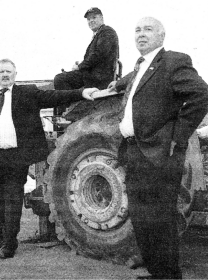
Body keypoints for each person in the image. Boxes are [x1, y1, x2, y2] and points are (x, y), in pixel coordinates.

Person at [108, 17, 208, 279]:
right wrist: (118, 84)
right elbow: (139, 80)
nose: (141, 34)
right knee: (141, 219)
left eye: (148, 29)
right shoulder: (141, 65)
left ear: (161, 36)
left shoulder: (174, 60)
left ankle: (169, 275)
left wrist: (179, 134)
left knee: (160, 220)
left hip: (161, 153)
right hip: (135, 151)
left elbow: (201, 95)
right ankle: (156, 272)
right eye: (137, 30)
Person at [0, 58, 97, 259]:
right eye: (1, 72)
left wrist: (81, 92)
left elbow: (53, 96)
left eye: (9, 72)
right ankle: (1, 236)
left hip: (14, 157)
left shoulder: (26, 93)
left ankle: (10, 244)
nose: (5, 75)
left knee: (12, 201)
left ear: (15, 75)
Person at [54, 7, 119, 91]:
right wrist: (81, 64)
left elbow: (98, 55)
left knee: (60, 79)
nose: (91, 21)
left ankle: (69, 104)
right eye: (88, 19)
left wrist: (79, 67)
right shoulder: (100, 33)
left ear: (101, 18)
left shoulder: (107, 32)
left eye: (94, 17)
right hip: (94, 75)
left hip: (99, 78)